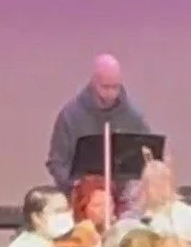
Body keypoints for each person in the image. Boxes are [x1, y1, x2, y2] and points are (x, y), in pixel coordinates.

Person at [46, 55, 150, 193]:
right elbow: (57, 162)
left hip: (125, 197)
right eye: (105, 87)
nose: (111, 93)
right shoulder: (70, 116)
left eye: (115, 87)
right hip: (81, 198)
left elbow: (149, 158)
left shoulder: (133, 117)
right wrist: (76, 187)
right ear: (94, 82)